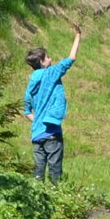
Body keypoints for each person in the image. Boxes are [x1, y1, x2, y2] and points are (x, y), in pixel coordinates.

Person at [23, 21, 81, 184]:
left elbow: (26, 110)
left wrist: (38, 119)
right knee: (55, 170)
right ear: (42, 62)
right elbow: (71, 58)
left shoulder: (31, 81)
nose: (51, 58)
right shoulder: (51, 73)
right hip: (51, 132)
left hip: (36, 134)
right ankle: (57, 197)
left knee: (38, 171)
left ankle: (38, 197)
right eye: (48, 57)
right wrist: (78, 35)